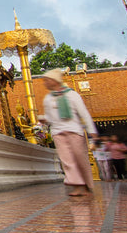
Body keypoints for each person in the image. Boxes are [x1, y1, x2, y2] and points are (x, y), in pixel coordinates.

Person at [38, 68, 98, 196]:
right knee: (67, 161)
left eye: (47, 80)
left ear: (54, 81)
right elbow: (50, 117)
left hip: (74, 131)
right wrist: (43, 119)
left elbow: (84, 114)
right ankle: (78, 186)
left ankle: (87, 184)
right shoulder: (48, 99)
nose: (45, 83)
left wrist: (92, 132)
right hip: (58, 132)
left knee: (80, 158)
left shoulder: (72, 95)